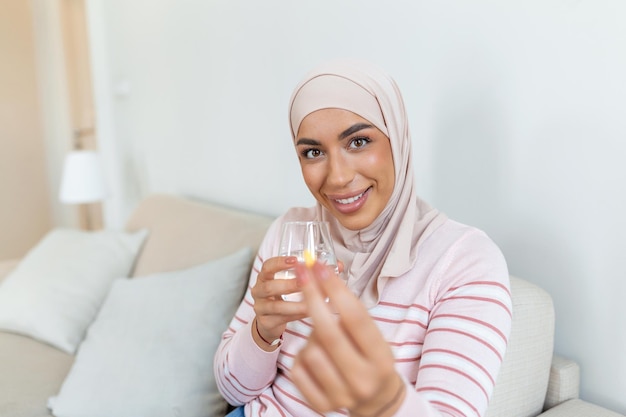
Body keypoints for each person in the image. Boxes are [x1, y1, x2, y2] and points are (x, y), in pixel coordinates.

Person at [214, 59, 512, 417]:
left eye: (358, 141)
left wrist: (382, 395)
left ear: (397, 139)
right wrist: (263, 331)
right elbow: (232, 389)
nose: (337, 177)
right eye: (313, 152)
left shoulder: (465, 261)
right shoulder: (289, 232)